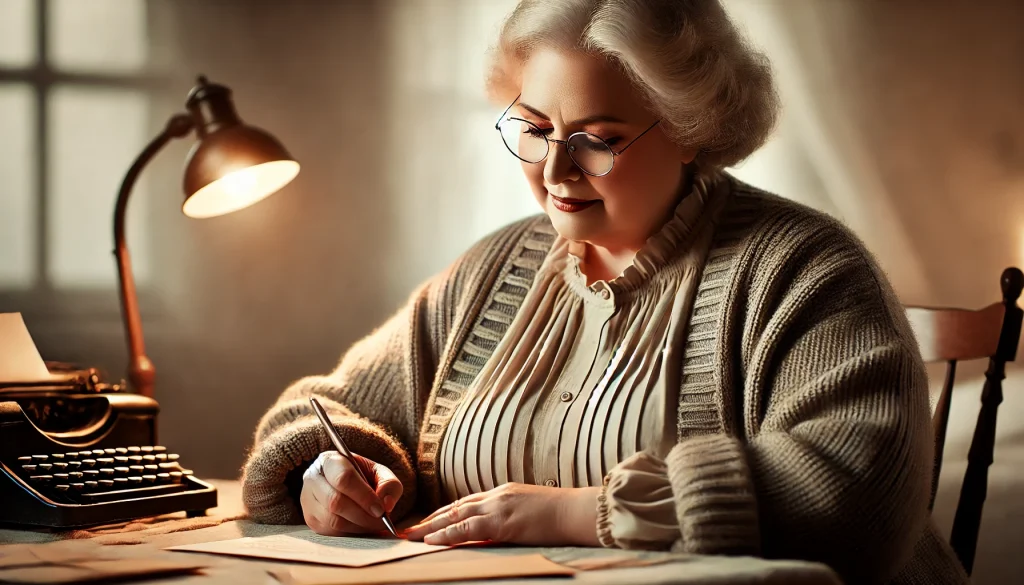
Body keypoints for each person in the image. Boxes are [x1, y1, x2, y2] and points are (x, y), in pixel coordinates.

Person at [241, 1, 968, 583]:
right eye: (533, 127)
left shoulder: (805, 266)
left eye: (596, 137)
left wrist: (581, 513)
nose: (555, 170)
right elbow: (318, 412)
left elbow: (856, 497)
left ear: (691, 128)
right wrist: (330, 469)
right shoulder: (493, 270)